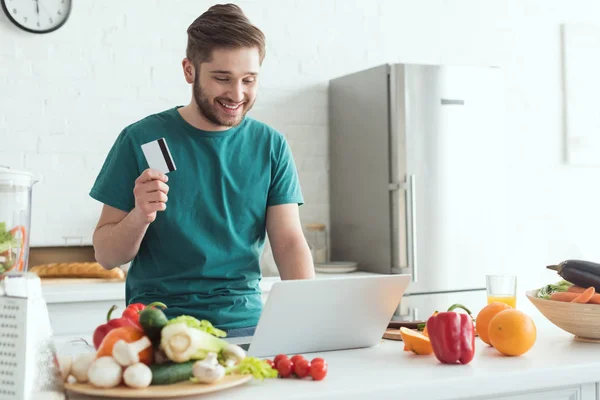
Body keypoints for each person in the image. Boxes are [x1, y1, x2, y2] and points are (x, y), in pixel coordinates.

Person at [89, 3, 315, 337]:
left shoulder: (270, 145)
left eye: (249, 80)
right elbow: (107, 256)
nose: (237, 94)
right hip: (159, 326)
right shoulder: (141, 139)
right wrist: (140, 214)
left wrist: (312, 323)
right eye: (222, 78)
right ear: (189, 70)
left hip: (244, 325)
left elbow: (289, 243)